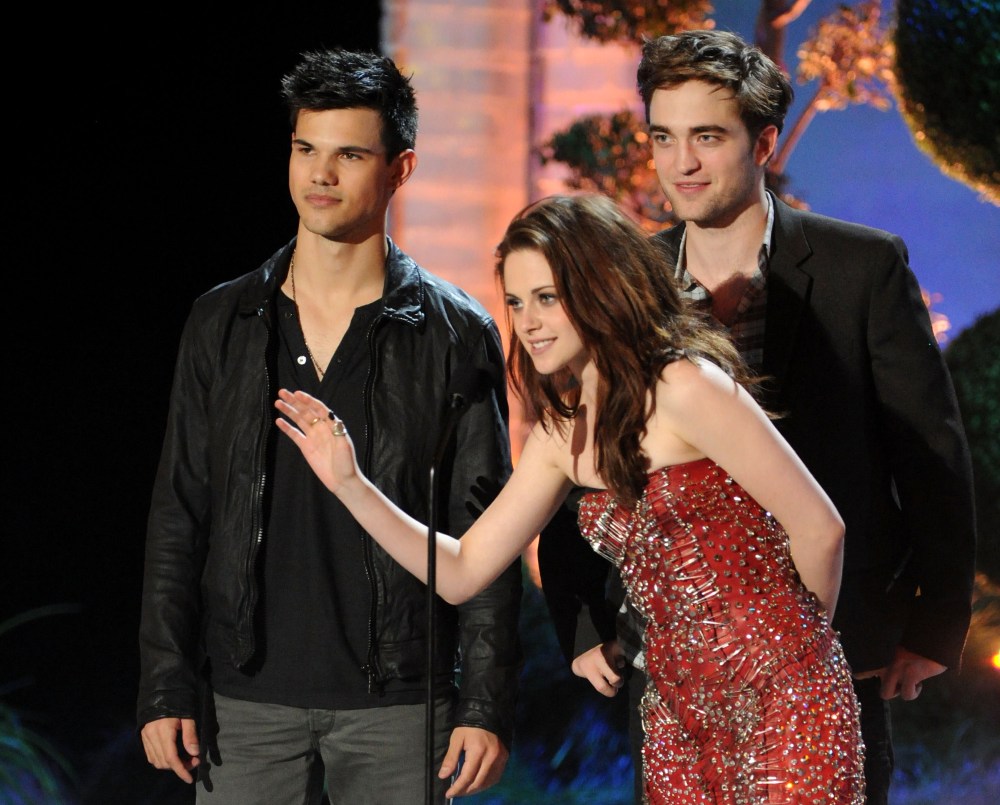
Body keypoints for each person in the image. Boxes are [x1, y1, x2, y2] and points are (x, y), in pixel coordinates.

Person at [274, 192, 867, 804]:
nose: (527, 322)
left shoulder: (686, 384)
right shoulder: (561, 435)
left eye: (547, 298)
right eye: (515, 302)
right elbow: (460, 572)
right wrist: (351, 484)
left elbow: (821, 528)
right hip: (676, 717)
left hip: (782, 697)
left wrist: (793, 660)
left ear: (600, 288)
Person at [536, 28, 978, 805]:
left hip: (832, 658)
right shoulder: (624, 285)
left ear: (764, 142)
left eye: (707, 137)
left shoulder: (861, 268)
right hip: (675, 671)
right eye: (664, 137)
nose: (682, 163)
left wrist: (934, 624)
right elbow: (580, 458)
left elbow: (929, 453)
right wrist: (580, 619)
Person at [136, 48, 523, 805]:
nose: (320, 174)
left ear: (400, 169)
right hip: (245, 703)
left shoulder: (452, 332)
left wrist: (484, 704)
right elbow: (179, 512)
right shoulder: (224, 321)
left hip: (401, 707)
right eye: (305, 149)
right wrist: (164, 681)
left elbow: (485, 529)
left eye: (349, 155)